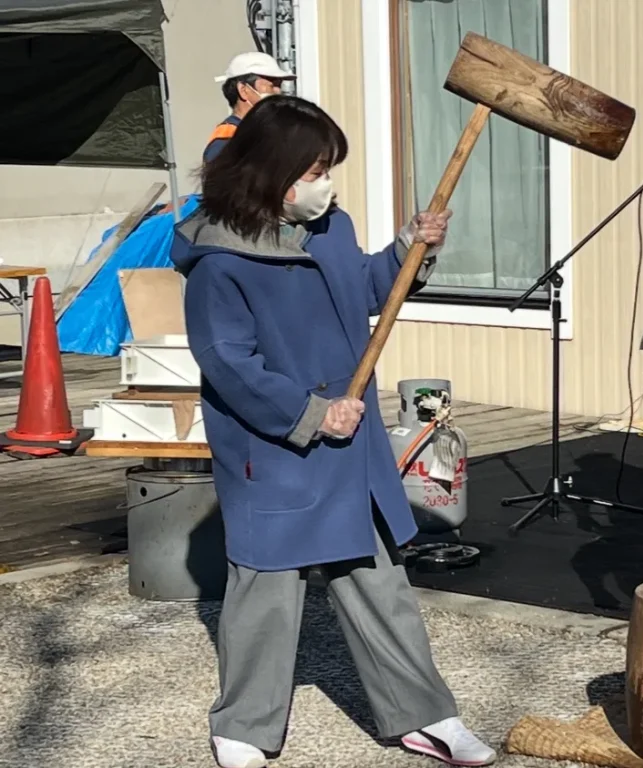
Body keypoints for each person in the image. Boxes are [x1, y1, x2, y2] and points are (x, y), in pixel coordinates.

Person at [171, 95, 496, 768]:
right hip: (276, 449)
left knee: (381, 584)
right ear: (271, 170)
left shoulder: (330, 229)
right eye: (315, 168)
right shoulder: (220, 261)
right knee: (266, 592)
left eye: (328, 168)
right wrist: (313, 415)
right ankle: (243, 727)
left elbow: (368, 290)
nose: (327, 182)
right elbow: (228, 363)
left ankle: (425, 717)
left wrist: (411, 248)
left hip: (351, 451)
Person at [203, 52, 295, 164]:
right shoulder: (227, 140)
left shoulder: (262, 132)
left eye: (279, 85)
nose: (278, 91)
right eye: (272, 85)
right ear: (243, 90)